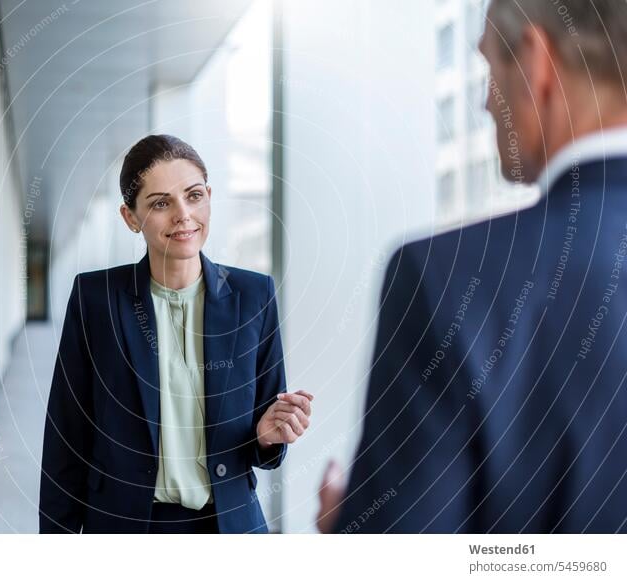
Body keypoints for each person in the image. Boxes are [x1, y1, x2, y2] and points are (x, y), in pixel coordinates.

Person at [318, 0, 627, 533]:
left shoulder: (445, 277)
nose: (486, 103)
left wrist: (355, 525)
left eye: (491, 68)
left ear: (536, 62)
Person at [40, 134, 313, 533]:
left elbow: (264, 442)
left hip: (228, 528)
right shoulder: (95, 299)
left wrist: (269, 435)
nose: (183, 214)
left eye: (194, 195)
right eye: (161, 203)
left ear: (209, 197)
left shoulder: (254, 296)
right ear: (131, 217)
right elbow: (66, 438)